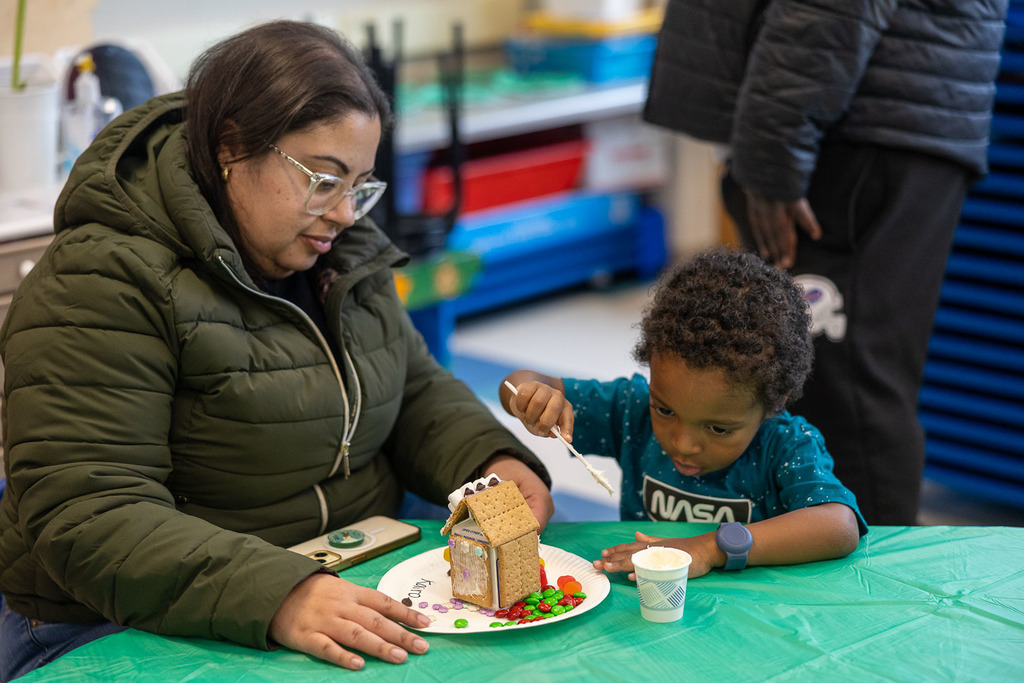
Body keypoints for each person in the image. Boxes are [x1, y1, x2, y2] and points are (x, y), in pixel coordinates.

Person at [0, 20, 553, 679]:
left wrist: (490, 461)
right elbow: (87, 510)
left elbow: (408, 387)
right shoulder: (104, 276)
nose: (347, 212)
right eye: (324, 178)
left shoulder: (339, 247)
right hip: (116, 615)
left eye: (361, 184)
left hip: (338, 562)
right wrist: (278, 593)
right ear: (231, 147)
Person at [642, 1, 1009, 525]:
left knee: (844, 399)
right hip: (842, 116)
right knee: (827, 392)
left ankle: (871, 596)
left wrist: (775, 142)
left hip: (846, 126)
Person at [500, 248, 867, 580]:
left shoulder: (785, 444)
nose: (683, 443)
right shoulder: (632, 409)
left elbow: (839, 526)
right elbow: (516, 384)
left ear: (770, 406)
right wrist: (533, 397)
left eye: (719, 429)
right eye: (665, 409)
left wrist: (709, 548)